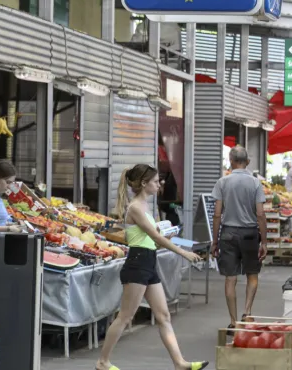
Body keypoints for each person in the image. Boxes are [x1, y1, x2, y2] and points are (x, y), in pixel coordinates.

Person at [96, 164, 207, 370]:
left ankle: (179, 363)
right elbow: (154, 237)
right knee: (125, 316)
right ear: (145, 183)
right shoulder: (136, 208)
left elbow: (152, 241)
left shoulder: (145, 207)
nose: (160, 184)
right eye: (156, 181)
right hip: (138, 263)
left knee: (163, 315)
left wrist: (167, 237)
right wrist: (184, 253)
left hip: (148, 261)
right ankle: (103, 362)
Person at [210, 146, 267, 329]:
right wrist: (264, 241)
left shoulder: (222, 182)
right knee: (252, 273)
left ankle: (233, 322)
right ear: (247, 162)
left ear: (231, 160)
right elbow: (260, 214)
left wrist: (215, 240)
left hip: (228, 233)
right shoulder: (255, 183)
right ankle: (247, 313)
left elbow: (217, 214)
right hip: (250, 233)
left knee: (230, 278)